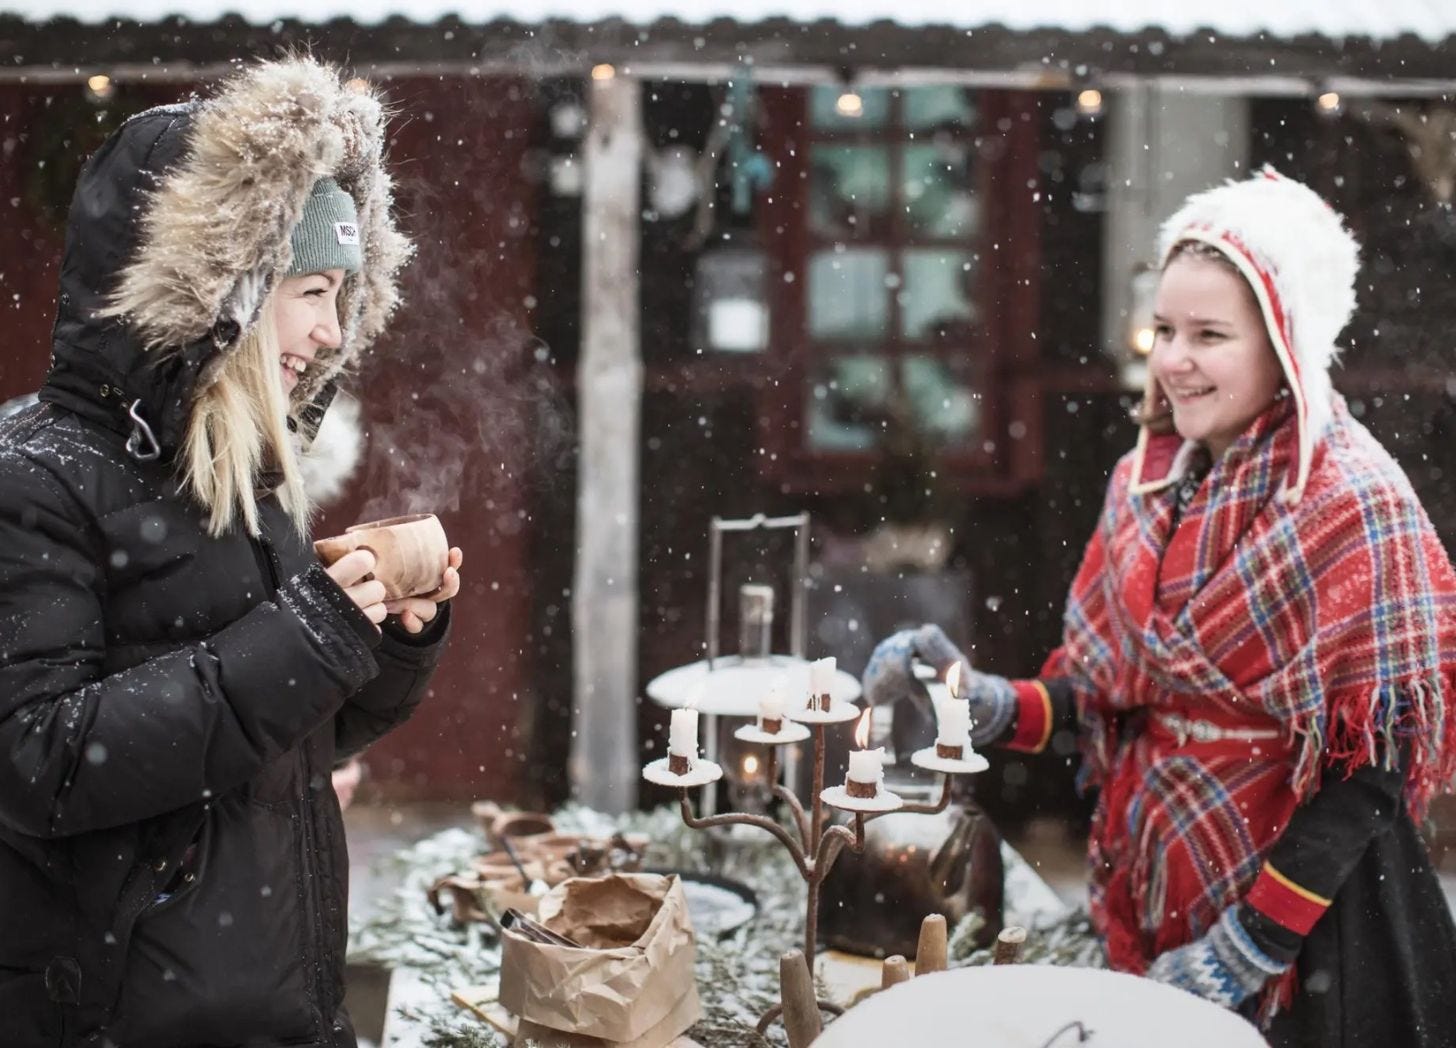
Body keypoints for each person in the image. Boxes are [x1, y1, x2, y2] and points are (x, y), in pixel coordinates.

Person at [865, 170, 1456, 1047]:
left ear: (1287, 343)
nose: (1173, 359)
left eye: (1210, 334)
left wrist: (1254, 941)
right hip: (1156, 887)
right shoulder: (1145, 484)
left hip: (1320, 938)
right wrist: (979, 701)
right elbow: (1110, 696)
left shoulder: (1353, 503)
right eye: (1166, 329)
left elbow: (1373, 767)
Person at [0, 58, 462, 1047]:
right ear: (227, 287)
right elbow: (40, 759)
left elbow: (272, 754)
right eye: (309, 290)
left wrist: (382, 642)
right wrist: (303, 639)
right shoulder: (33, 478)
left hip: (274, 1012)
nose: (332, 331)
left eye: (343, 294)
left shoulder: (235, 477)